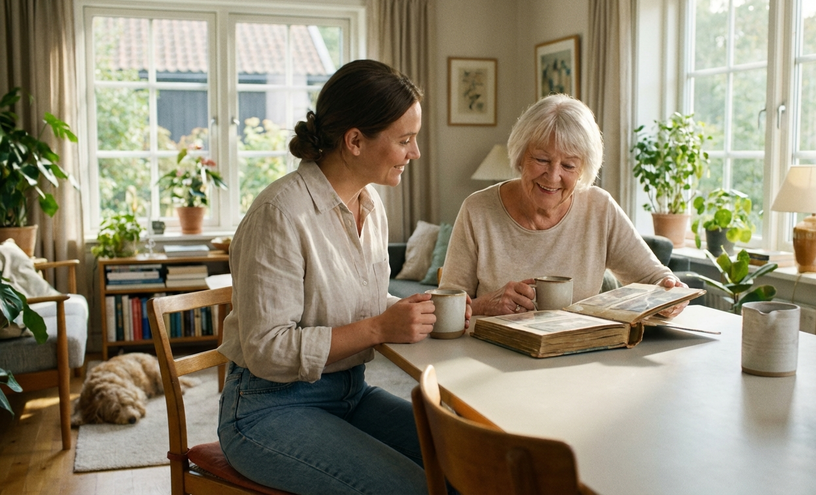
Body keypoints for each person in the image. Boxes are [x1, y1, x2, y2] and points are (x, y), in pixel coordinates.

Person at [218, 59, 458, 494]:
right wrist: (379, 328)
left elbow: (365, 304)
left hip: (351, 392)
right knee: (413, 489)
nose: (415, 153)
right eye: (405, 140)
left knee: (469, 468)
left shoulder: (370, 206)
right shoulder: (280, 213)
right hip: (266, 410)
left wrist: (462, 308)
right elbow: (266, 349)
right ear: (354, 141)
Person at [439, 94, 689, 317]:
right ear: (520, 156)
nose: (552, 176)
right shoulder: (478, 210)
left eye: (568, 165)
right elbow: (444, 309)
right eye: (541, 159)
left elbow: (654, 278)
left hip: (578, 357)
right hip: (490, 360)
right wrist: (483, 306)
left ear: (583, 169)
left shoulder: (599, 208)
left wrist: (671, 293)